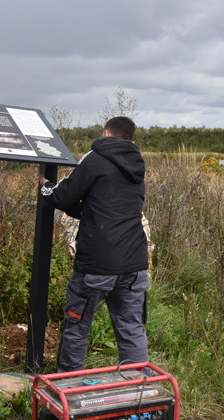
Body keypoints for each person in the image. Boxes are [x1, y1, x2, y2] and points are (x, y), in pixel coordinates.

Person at [38, 116, 149, 372]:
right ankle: (139, 392)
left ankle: (68, 389)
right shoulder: (137, 166)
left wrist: (46, 187)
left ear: (106, 133)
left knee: (77, 327)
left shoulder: (96, 157)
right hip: (134, 263)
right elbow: (102, 208)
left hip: (97, 263)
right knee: (132, 329)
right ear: (131, 139)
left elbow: (64, 195)